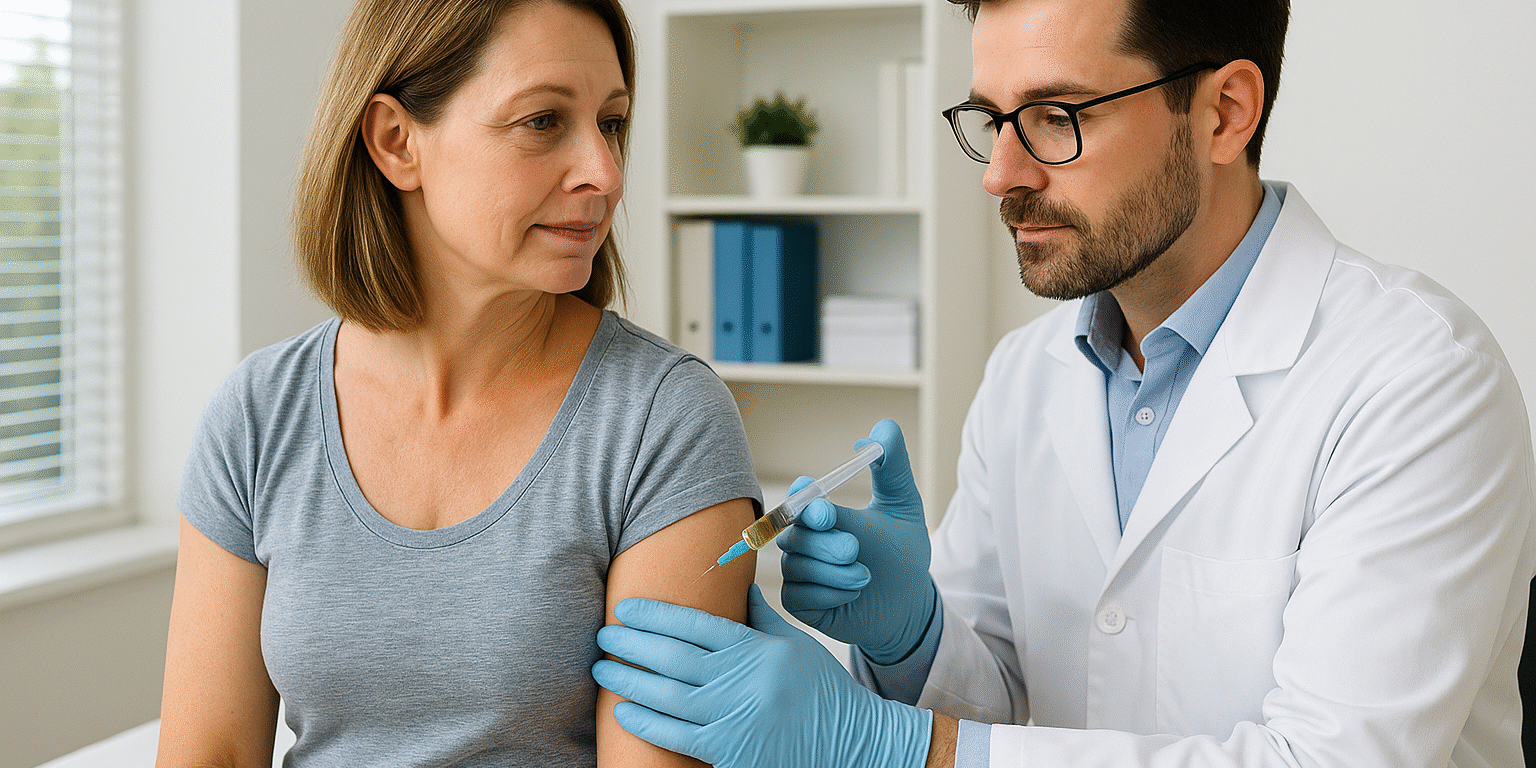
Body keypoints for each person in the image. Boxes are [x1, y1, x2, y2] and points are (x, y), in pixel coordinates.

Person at [591, 0, 1536, 765]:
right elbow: (1013, 706)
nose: (1001, 173)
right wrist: (913, 637)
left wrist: (885, 745)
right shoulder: (1026, 378)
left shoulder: (1418, 379)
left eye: (1055, 118)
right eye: (992, 120)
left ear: (1225, 111)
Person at [155, 0, 760, 765]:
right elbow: (212, 751)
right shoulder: (257, 415)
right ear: (396, 141)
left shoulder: (663, 419)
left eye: (611, 122)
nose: (604, 172)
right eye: (543, 121)